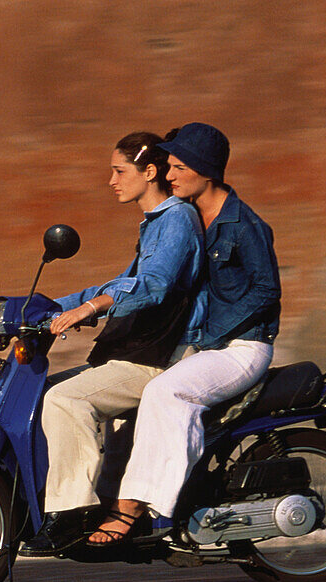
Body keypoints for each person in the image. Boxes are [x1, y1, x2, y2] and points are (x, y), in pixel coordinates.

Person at [88, 122, 282, 544]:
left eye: (177, 167)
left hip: (241, 347)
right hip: (204, 345)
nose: (169, 174)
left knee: (168, 393)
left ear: (204, 170)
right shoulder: (190, 219)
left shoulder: (244, 224)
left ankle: (146, 509)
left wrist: (211, 335)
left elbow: (267, 290)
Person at [18, 131, 205, 556]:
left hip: (162, 357)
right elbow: (122, 283)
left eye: (119, 171)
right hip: (141, 352)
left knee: (66, 400)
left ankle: (72, 515)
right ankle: (87, 495)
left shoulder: (177, 219)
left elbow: (153, 286)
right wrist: (45, 307)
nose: (111, 181)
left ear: (150, 172)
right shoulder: (158, 223)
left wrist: (92, 308)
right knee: (45, 393)